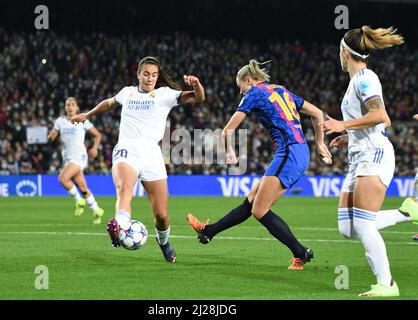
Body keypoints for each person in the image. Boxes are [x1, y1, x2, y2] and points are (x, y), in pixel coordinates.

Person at [187, 59, 332, 270]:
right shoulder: (281, 90)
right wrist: (319, 143)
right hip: (297, 151)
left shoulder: (254, 93)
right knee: (252, 201)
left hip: (289, 152)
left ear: (249, 80)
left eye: (241, 88)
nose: (241, 93)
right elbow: (319, 113)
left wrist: (229, 152)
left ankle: (300, 253)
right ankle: (208, 232)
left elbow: (228, 129)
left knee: (260, 210)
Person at [71, 56, 205, 262]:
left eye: (154, 75)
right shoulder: (128, 92)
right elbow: (108, 103)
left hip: (152, 153)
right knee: (125, 188)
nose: (150, 78)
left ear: (157, 76)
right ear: (138, 74)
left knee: (162, 215)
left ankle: (164, 243)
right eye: (146, 74)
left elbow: (199, 98)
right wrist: (87, 114)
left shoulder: (165, 95)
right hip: (127, 148)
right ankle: (120, 226)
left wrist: (197, 85)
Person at [323, 26, 417, 297]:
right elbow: (373, 121)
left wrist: (343, 124)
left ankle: (387, 284)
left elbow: (381, 116)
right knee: (348, 228)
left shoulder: (365, 79)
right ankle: (406, 212)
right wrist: (349, 136)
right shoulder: (356, 82)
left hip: (374, 154)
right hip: (359, 156)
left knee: (364, 224)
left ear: (344, 52)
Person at [48, 97, 104, 224]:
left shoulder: (82, 119)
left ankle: (79, 201)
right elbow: (53, 136)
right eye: (68, 105)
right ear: (65, 108)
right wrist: (50, 137)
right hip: (67, 157)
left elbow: (98, 135)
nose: (70, 107)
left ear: (77, 108)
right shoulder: (60, 121)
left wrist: (94, 148)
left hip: (79, 157)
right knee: (82, 187)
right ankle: (97, 210)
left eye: (73, 104)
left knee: (62, 179)